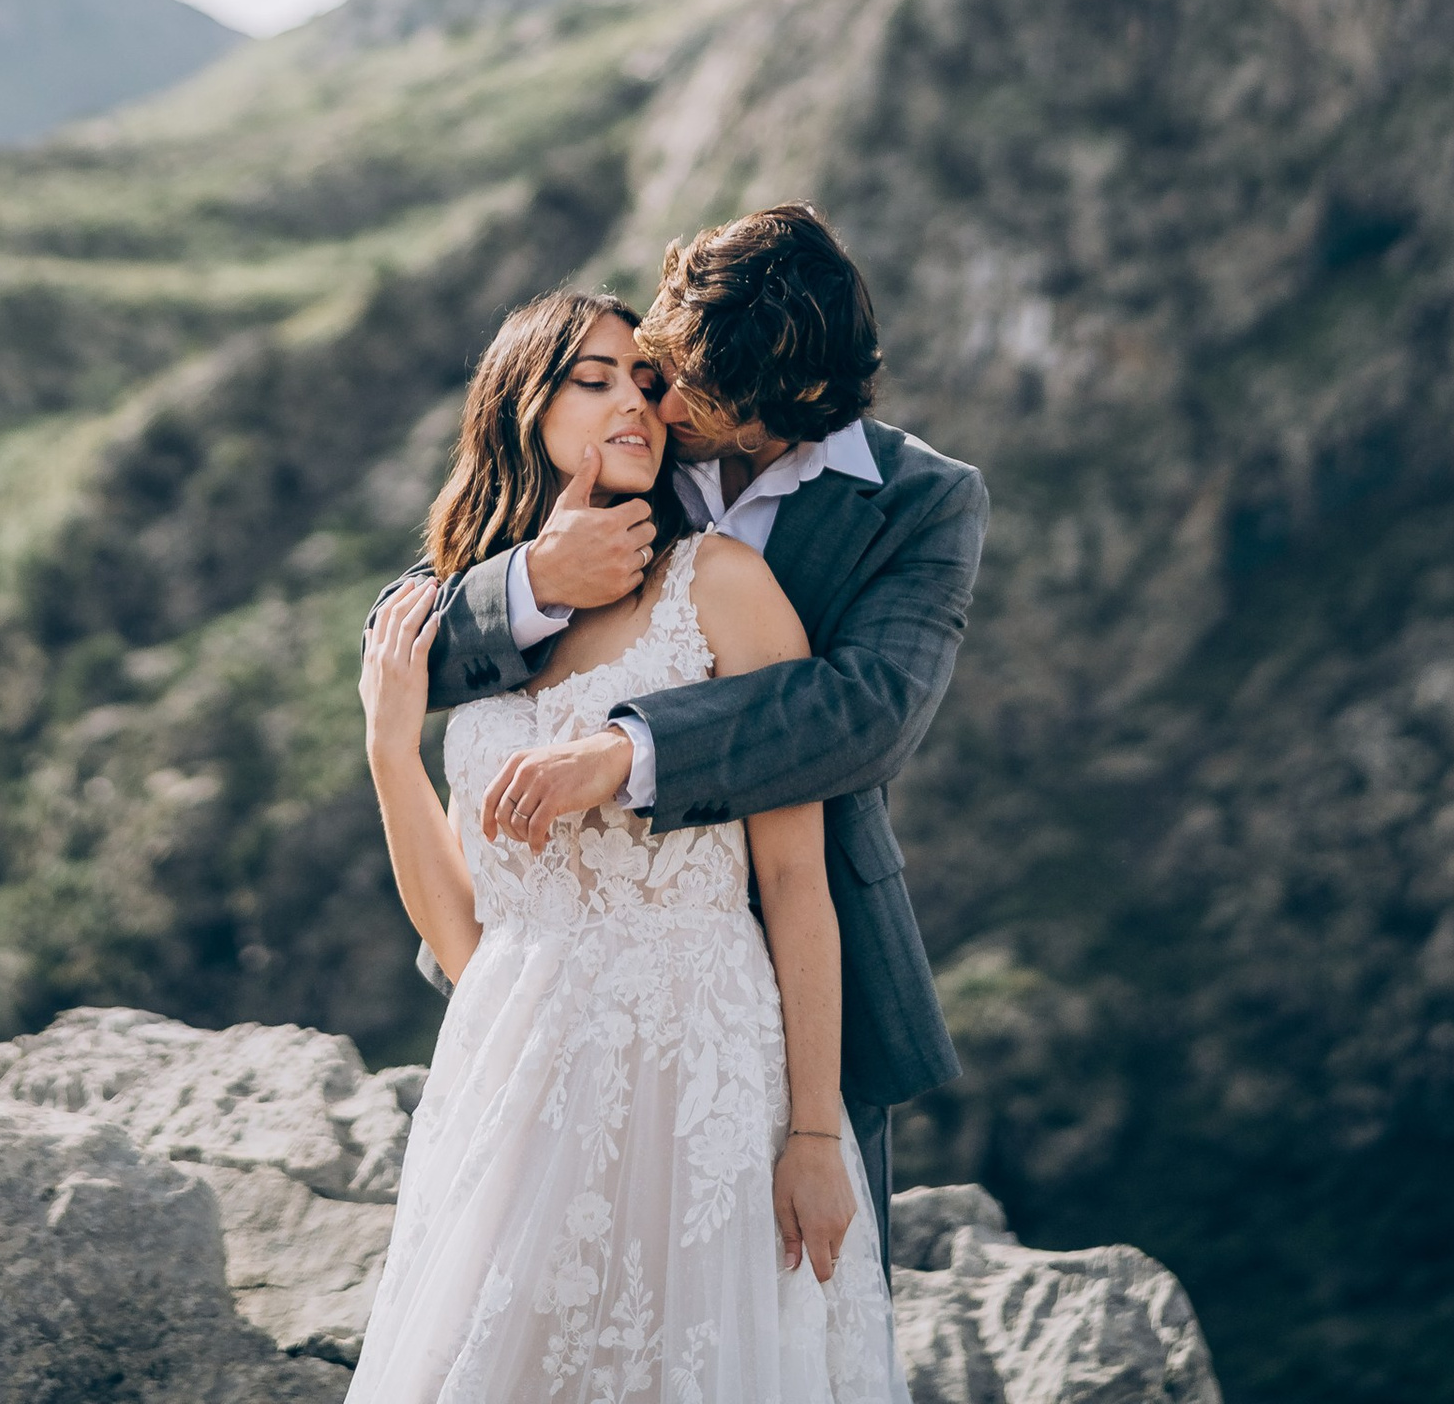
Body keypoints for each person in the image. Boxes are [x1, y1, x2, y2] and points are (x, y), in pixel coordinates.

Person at [389, 205, 988, 1276]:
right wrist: (534, 584)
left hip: (796, 984)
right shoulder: (631, 435)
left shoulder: (924, 506)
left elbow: (867, 715)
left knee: (777, 1320)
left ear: (779, 412)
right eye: (645, 369)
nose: (648, 398)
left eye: (678, 392)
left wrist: (629, 753)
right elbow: (403, 636)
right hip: (559, 993)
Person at [349, 284, 907, 1404]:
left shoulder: (725, 588)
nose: (636, 406)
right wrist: (387, 748)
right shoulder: (473, 625)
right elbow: (468, 940)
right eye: (593, 380)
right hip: (518, 1073)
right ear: (520, 408)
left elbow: (798, 881)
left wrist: (809, 1133)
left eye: (646, 385)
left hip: (699, 1071)